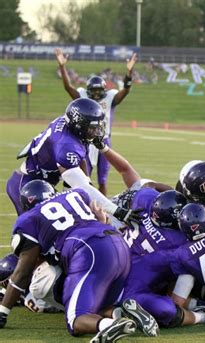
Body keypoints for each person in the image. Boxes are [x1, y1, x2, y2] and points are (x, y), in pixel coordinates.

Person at [0, 180, 158, 340]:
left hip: (87, 249)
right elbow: (94, 215)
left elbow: (23, 273)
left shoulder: (28, 220)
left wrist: (2, 312)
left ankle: (107, 325)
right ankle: (120, 312)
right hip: (117, 242)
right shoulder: (76, 194)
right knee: (95, 302)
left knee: (75, 320)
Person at [5, 98, 140, 225]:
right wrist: (117, 211)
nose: (97, 131)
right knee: (39, 234)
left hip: (41, 183)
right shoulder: (66, 145)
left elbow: (80, 162)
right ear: (79, 126)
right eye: (93, 128)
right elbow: (82, 187)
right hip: (28, 187)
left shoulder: (72, 130)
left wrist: (87, 181)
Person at [55, 48, 138, 195]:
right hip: (86, 140)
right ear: (88, 91)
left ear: (104, 90)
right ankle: (82, 205)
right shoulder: (82, 95)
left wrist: (129, 72)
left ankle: (101, 211)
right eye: (93, 91)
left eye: (99, 91)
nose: (97, 94)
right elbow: (68, 87)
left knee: (103, 180)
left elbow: (126, 90)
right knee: (84, 177)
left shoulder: (110, 97)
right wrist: (62, 66)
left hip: (104, 141)